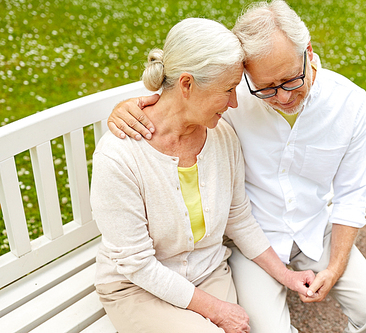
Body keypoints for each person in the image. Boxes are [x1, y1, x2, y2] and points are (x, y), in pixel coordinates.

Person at [107, 1, 366, 332]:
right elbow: (179, 94)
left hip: (316, 232)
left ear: (308, 51)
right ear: (246, 71)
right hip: (253, 242)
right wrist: (127, 106)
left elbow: (351, 194)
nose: (284, 97)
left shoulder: (349, 102)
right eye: (267, 87)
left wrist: (334, 268)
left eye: (291, 80)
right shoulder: (229, 100)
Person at [90, 17, 315, 333]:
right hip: (136, 287)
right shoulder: (120, 155)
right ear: (186, 84)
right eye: (227, 90)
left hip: (207, 273)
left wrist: (287, 276)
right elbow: (137, 264)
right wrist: (218, 311)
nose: (234, 102)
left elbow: (239, 220)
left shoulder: (222, 137)